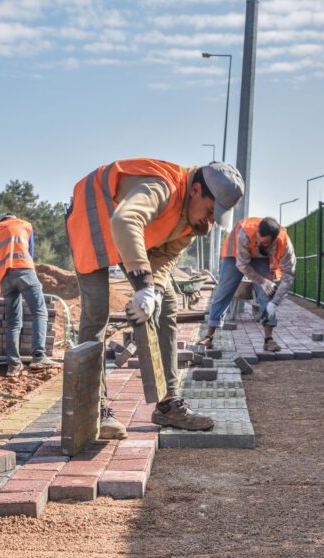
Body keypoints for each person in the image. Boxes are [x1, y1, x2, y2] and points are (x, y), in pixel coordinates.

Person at [67, 158, 244, 436]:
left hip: (132, 235)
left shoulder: (193, 223)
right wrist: (143, 285)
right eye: (211, 211)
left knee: (167, 304)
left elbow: (164, 257)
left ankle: (168, 405)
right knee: (96, 313)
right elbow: (126, 219)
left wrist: (155, 292)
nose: (211, 221)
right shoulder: (161, 187)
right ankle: (95, 410)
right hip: (93, 219)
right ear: (196, 189)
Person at [0, 213, 59, 376]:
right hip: (24, 271)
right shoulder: (25, 225)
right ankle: (39, 357)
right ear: (14, 217)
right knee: (39, 312)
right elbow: (29, 256)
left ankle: (13, 365)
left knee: (13, 322)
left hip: (4, 278)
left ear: (0, 221)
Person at [199, 216, 296, 351]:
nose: (259, 244)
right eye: (258, 240)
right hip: (235, 255)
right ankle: (209, 337)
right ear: (257, 233)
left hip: (262, 258)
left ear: (274, 240)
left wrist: (275, 302)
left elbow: (288, 275)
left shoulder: (284, 244)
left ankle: (269, 339)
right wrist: (262, 281)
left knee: (267, 296)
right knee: (223, 292)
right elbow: (242, 265)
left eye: (265, 242)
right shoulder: (244, 234)